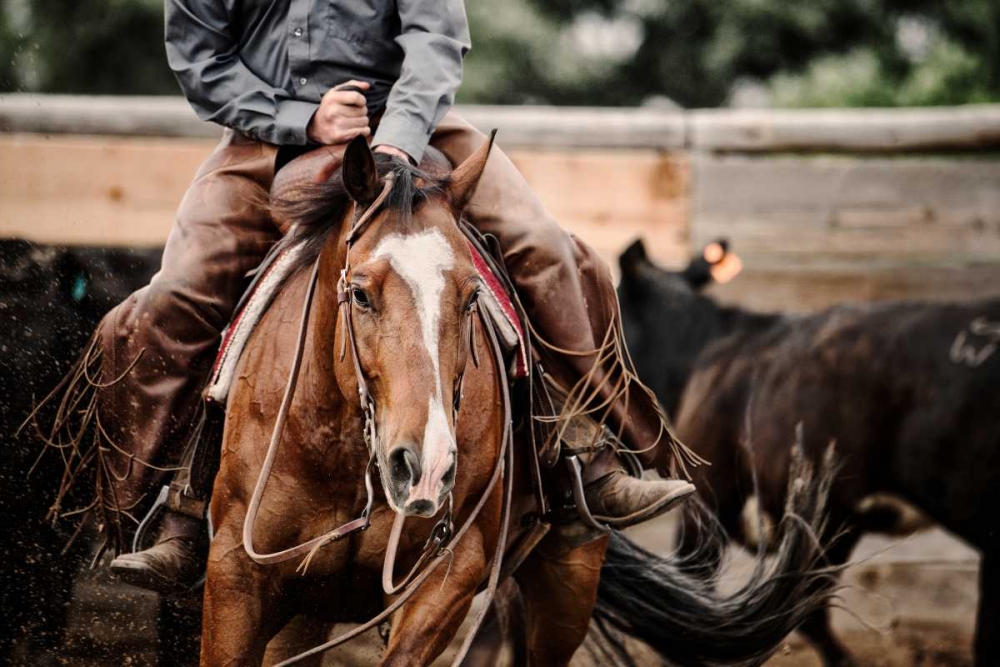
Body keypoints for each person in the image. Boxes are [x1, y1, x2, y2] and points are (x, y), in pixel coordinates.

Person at [78, 0, 700, 593]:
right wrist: (305, 119)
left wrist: (397, 134)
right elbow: (200, 58)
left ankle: (587, 455)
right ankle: (166, 510)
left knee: (543, 246)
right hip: (263, 141)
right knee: (178, 296)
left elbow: (436, 38)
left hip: (411, 128)